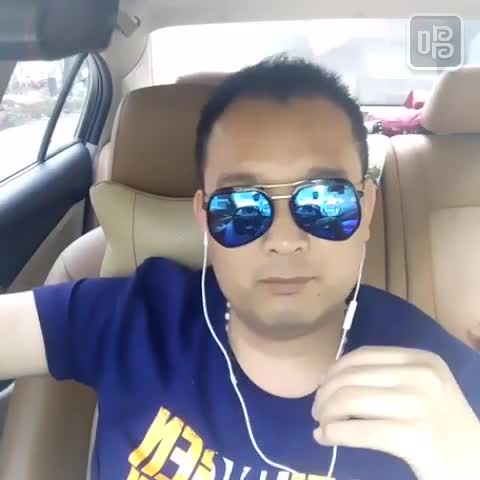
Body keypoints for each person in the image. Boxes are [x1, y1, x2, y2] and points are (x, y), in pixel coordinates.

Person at [0, 58, 479, 480]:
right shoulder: (134, 319)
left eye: (324, 201)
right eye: (242, 206)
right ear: (204, 220)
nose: (285, 240)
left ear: (366, 208)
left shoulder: (444, 385)